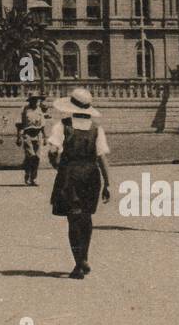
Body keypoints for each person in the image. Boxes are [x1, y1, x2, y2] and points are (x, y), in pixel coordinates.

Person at [47, 87, 112, 280]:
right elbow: (102, 158)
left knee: (73, 218)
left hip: (70, 174)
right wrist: (107, 183)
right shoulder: (96, 129)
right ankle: (84, 257)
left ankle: (78, 263)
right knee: (86, 217)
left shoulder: (62, 126)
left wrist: (59, 167)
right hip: (91, 175)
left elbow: (52, 151)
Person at [16, 96, 46, 186]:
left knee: (37, 157)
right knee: (31, 156)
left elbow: (43, 125)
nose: (36, 101)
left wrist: (45, 137)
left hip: (37, 135)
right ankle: (27, 175)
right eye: (33, 100)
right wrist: (18, 137)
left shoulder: (40, 110)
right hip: (27, 134)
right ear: (30, 101)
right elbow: (19, 124)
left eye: (37, 100)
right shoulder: (25, 109)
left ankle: (34, 178)